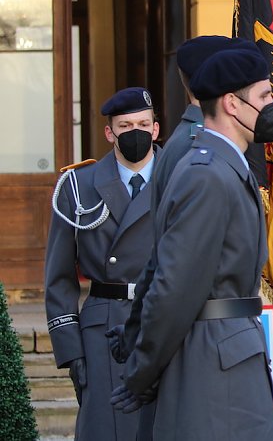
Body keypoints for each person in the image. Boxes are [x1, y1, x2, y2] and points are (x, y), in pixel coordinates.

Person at [115, 47, 273, 440]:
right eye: (264, 96)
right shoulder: (207, 175)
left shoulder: (224, 167)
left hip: (227, 353)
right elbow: (173, 287)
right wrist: (142, 370)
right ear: (231, 103)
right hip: (213, 363)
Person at [44, 87, 160, 441]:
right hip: (104, 326)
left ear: (156, 130)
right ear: (110, 132)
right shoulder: (78, 186)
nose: (136, 132)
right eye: (126, 125)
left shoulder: (183, 176)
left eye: (144, 123)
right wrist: (70, 350)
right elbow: (59, 276)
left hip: (164, 317)